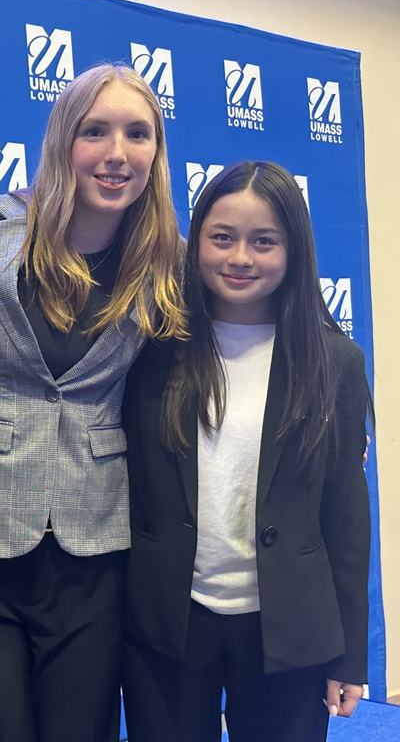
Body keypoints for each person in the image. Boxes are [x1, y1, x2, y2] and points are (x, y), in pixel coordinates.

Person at [0, 63, 187, 742]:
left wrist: (332, 405)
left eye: (137, 133)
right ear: (63, 139)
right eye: (95, 131)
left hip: (94, 541)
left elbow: (274, 308)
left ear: (156, 151)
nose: (116, 153)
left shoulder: (166, 259)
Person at [120, 161, 372, 742]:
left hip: (289, 628)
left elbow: (346, 517)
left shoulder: (334, 363)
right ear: (196, 242)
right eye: (222, 238)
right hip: (168, 623)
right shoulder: (151, 347)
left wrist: (349, 656)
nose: (240, 258)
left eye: (264, 242)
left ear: (294, 251)